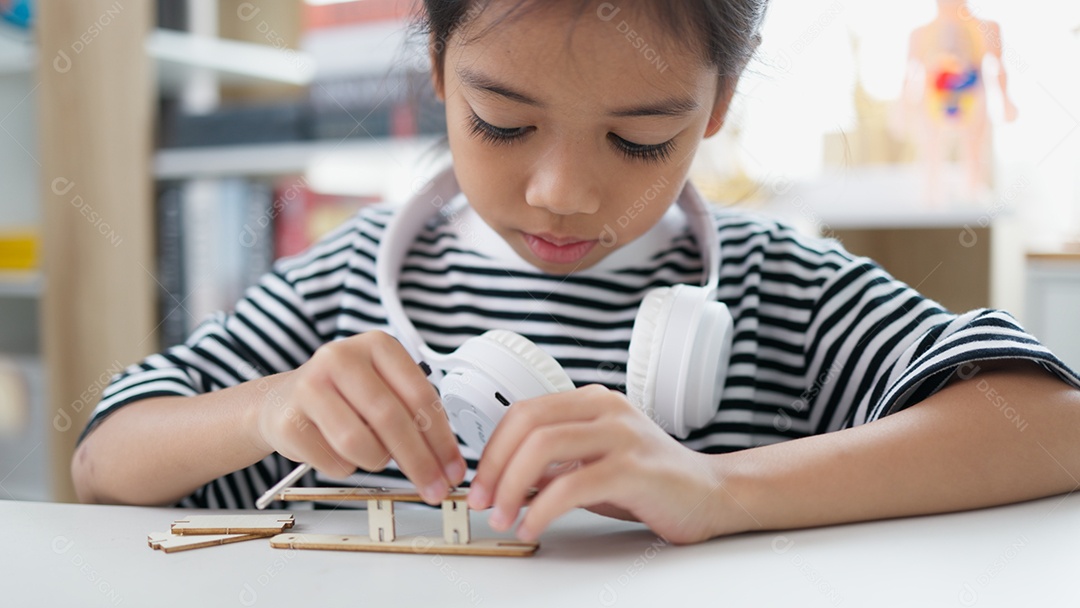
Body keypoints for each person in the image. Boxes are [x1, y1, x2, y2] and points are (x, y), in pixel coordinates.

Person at [73, 0, 1080, 546]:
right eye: (503, 123)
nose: (561, 192)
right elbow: (105, 459)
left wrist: (719, 486)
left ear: (718, 102)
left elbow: (1052, 422)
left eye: (639, 139)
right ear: (436, 69)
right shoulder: (341, 286)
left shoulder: (781, 291)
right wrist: (267, 409)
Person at [896, 0, 1019, 205]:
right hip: (933, 100)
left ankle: (971, 197)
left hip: (972, 97)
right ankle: (932, 200)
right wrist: (902, 107)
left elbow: (999, 67)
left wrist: (1006, 101)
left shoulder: (987, 29)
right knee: (931, 152)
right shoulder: (921, 33)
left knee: (973, 152)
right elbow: (910, 73)